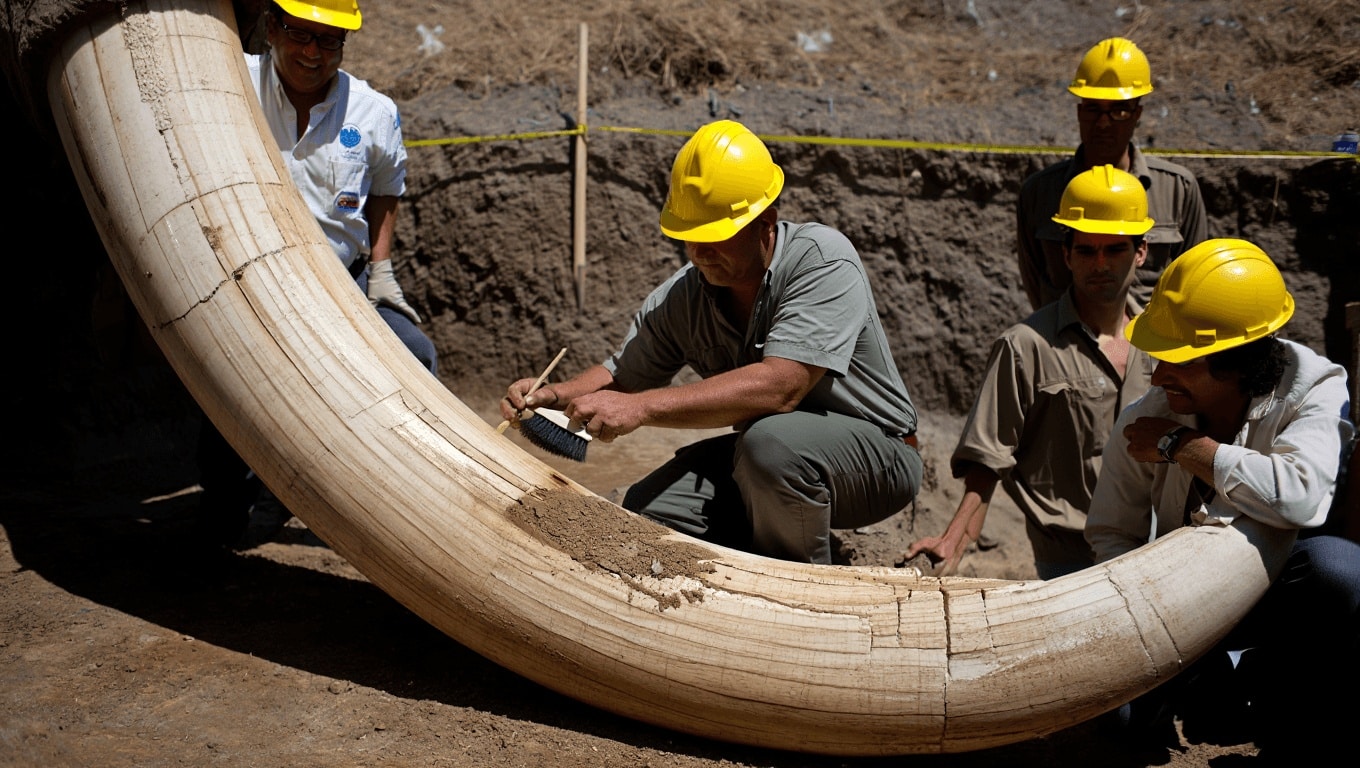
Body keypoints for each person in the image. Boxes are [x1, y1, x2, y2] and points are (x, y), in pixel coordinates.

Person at [499, 119, 923, 564]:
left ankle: (807, 585)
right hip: (769, 460)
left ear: (765, 223)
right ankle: (766, 548)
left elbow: (782, 387)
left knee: (771, 445)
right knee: (651, 508)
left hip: (879, 461)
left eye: (714, 236)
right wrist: (554, 395)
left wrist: (642, 408)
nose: (699, 253)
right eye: (689, 237)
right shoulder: (683, 298)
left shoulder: (822, 260)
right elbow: (622, 377)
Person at [1084, 238, 1359, 754]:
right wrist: (1139, 627)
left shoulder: (1313, 388)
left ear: (1240, 363)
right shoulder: (1146, 416)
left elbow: (1301, 496)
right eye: (1159, 358)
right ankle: (1203, 682)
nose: (1158, 376)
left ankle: (1275, 688)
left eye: (1179, 361)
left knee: (1338, 571)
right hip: (1174, 605)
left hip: (1274, 595)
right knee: (1117, 722)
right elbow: (1112, 534)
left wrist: (1182, 446)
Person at [196, 0, 436, 550]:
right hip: (248, 279)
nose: (313, 52)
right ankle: (223, 514)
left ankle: (389, 508)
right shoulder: (227, 82)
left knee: (413, 356)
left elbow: (387, 189)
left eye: (329, 41)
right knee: (229, 388)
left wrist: (382, 270)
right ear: (271, 28)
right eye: (300, 34)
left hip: (341, 279)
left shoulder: (373, 111)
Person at [906, 166, 1155, 579]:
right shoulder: (1026, 346)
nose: (1100, 264)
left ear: (1141, 251)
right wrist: (954, 540)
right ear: (1066, 255)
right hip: (1070, 559)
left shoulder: (1165, 344)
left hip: (1157, 548)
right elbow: (989, 458)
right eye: (1086, 251)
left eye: (1115, 249)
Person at [1017, 37, 1208, 312]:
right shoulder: (1039, 193)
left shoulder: (1178, 190)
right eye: (1094, 108)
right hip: (1063, 338)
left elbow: (1192, 285)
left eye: (1118, 111)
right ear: (1080, 111)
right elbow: (1036, 285)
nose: (1104, 123)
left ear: (1137, 114)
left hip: (1150, 338)